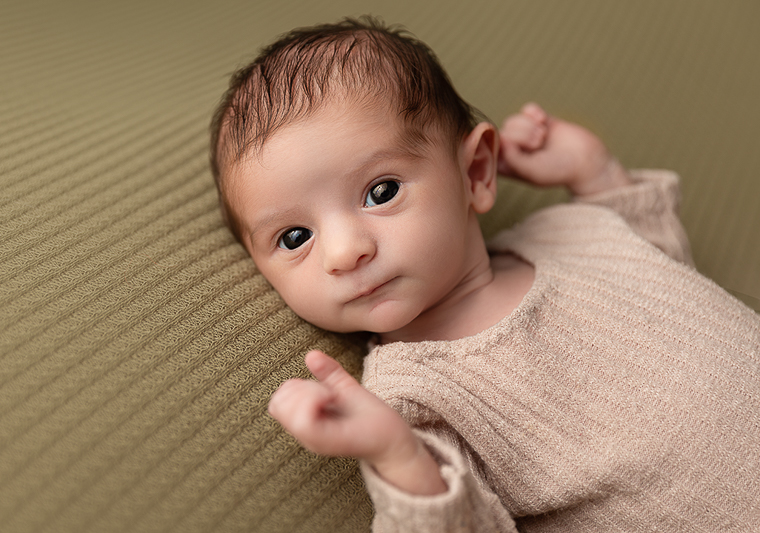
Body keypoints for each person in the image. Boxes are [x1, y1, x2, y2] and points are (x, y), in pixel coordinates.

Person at [210, 17, 760, 532]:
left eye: (381, 192)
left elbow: (672, 285)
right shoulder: (413, 399)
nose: (345, 252)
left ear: (475, 172)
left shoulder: (572, 230)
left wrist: (598, 175)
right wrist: (397, 457)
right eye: (295, 238)